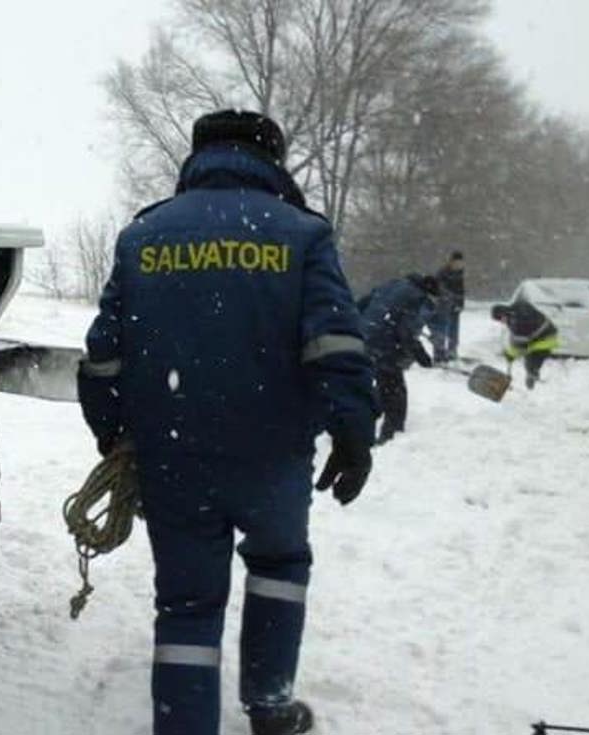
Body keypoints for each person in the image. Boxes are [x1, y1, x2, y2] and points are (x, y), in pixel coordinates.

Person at [77, 110, 377, 735]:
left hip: (173, 458)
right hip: (273, 455)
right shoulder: (302, 234)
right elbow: (336, 342)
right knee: (279, 569)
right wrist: (353, 428)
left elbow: (103, 353)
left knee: (186, 603)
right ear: (273, 159)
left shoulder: (144, 237)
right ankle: (270, 707)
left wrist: (111, 430)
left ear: (199, 155)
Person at [357, 274, 439, 444]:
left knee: (380, 385)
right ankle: (391, 435)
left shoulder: (393, 284)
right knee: (395, 390)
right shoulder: (416, 298)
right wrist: (421, 355)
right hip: (384, 343)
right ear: (429, 292)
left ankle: (353, 426)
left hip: (365, 337)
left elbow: (361, 304)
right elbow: (406, 332)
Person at [491, 300, 559, 389]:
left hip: (545, 340)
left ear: (503, 315)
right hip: (545, 334)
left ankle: (535, 385)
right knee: (530, 361)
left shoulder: (517, 322)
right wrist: (511, 351)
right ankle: (534, 379)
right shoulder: (516, 311)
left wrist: (510, 355)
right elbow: (515, 339)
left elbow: (520, 345)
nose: (501, 322)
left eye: (500, 319)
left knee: (531, 360)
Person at [430, 252, 466, 363]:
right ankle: (439, 353)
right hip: (443, 306)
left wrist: (460, 303)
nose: (459, 265)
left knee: (454, 330)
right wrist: (449, 297)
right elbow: (439, 288)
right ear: (451, 262)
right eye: (456, 263)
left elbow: (461, 290)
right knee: (441, 329)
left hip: (454, 307)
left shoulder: (460, 273)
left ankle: (452, 351)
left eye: (460, 263)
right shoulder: (443, 273)